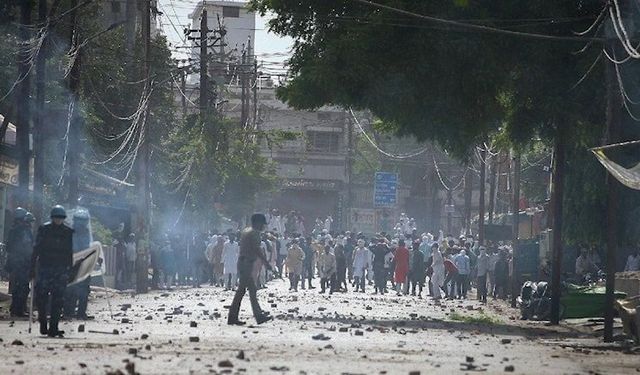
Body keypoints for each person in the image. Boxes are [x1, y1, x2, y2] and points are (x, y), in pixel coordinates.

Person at [31, 205, 74, 337]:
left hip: (60, 269)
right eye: (56, 217)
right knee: (41, 298)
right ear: (52, 217)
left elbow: (69, 252)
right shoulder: (44, 229)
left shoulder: (67, 232)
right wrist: (32, 267)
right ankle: (43, 322)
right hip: (45, 267)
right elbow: (36, 249)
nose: (58, 220)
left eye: (61, 218)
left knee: (58, 299)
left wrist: (70, 270)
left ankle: (53, 327)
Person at [227, 213, 274, 326]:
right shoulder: (255, 233)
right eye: (262, 224)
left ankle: (235, 317)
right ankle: (257, 316)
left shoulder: (246, 231)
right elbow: (257, 249)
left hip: (243, 262)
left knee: (246, 290)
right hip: (247, 263)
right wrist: (266, 263)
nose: (263, 226)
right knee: (247, 290)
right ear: (258, 223)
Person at [64, 208, 93, 320]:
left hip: (84, 265)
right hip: (71, 265)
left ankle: (81, 313)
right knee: (70, 289)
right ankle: (68, 312)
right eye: (79, 220)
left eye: (83, 220)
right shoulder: (69, 232)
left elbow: (90, 247)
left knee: (84, 290)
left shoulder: (87, 233)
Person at [6, 207, 34, 317]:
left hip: (18, 263)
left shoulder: (15, 230)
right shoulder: (21, 231)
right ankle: (18, 309)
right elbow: (26, 248)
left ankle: (18, 308)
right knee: (22, 287)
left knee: (19, 286)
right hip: (21, 263)